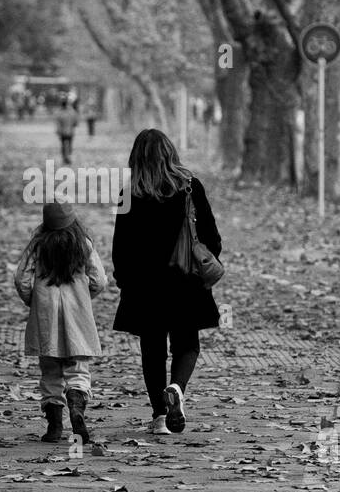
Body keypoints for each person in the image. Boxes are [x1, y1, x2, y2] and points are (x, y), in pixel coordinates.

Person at [112, 129, 222, 435]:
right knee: (188, 344)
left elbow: (121, 246)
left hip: (144, 286)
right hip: (185, 281)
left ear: (136, 157)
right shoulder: (190, 187)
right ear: (170, 153)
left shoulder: (129, 193)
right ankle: (177, 387)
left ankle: (160, 417)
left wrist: (124, 280)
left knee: (152, 349)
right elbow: (212, 238)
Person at [14, 202, 107, 444]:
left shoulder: (37, 245)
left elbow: (21, 279)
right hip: (77, 315)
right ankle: (77, 408)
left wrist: (32, 301)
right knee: (77, 368)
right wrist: (85, 297)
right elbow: (99, 279)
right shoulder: (83, 244)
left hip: (46, 315)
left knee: (50, 370)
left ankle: (54, 426)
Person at [55, 99, 78, 164]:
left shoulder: (59, 113)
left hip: (62, 132)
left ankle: (64, 157)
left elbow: (57, 123)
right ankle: (69, 156)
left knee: (63, 144)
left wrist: (58, 131)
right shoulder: (72, 112)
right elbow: (75, 121)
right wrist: (74, 125)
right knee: (70, 144)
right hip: (70, 131)